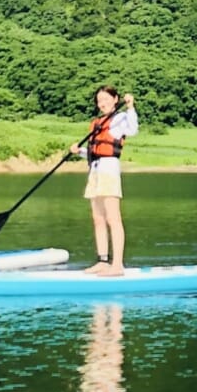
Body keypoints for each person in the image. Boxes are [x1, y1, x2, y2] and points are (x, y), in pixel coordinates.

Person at [76, 85, 138, 276]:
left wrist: (130, 107)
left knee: (113, 217)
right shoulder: (96, 123)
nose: (102, 103)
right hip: (95, 170)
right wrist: (79, 151)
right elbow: (95, 152)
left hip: (109, 171)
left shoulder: (119, 119)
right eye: (99, 100)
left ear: (115, 99)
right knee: (98, 218)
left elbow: (133, 129)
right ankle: (103, 261)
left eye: (105, 99)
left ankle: (117, 265)